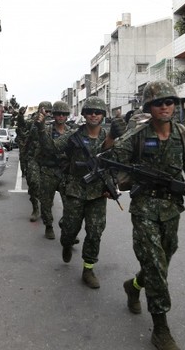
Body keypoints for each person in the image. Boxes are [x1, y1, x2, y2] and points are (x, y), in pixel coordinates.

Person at [110, 80, 185, 350]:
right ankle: (161, 329)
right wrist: (108, 180)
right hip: (144, 207)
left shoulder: (182, 134)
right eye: (158, 103)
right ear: (149, 107)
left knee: (161, 262)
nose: (165, 107)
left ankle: (133, 286)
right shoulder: (138, 136)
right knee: (155, 265)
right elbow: (109, 160)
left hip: (171, 209)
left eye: (169, 102)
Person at [37, 96, 123, 289]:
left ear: (103, 115)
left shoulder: (109, 136)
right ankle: (66, 244)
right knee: (69, 230)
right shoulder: (73, 135)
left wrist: (113, 186)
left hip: (98, 193)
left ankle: (88, 268)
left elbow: (116, 163)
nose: (94, 115)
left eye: (98, 112)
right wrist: (42, 128)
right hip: (75, 190)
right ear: (84, 114)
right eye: (90, 111)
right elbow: (51, 148)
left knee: (95, 232)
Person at [32, 100, 71, 239]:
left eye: (64, 114)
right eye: (58, 114)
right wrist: (39, 125)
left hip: (65, 172)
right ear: (54, 115)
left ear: (67, 116)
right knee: (46, 201)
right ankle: (49, 225)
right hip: (48, 170)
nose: (61, 116)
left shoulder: (71, 132)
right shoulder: (46, 129)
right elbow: (41, 144)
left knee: (71, 204)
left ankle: (66, 226)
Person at [25, 101, 52, 222]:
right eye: (46, 110)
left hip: (48, 159)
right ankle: (35, 208)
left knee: (48, 187)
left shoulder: (54, 122)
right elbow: (30, 136)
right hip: (34, 157)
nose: (48, 113)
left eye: (50, 111)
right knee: (33, 183)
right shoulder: (34, 122)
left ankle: (46, 209)